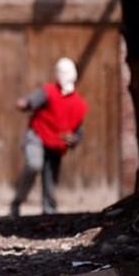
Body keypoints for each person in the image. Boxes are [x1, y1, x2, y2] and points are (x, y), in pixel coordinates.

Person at [10, 57, 88, 217]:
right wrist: (25, 103)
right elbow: (31, 102)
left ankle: (49, 211)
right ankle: (17, 202)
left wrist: (73, 140)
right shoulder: (48, 91)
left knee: (50, 178)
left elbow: (78, 132)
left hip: (56, 144)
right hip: (37, 136)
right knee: (34, 165)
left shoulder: (79, 104)